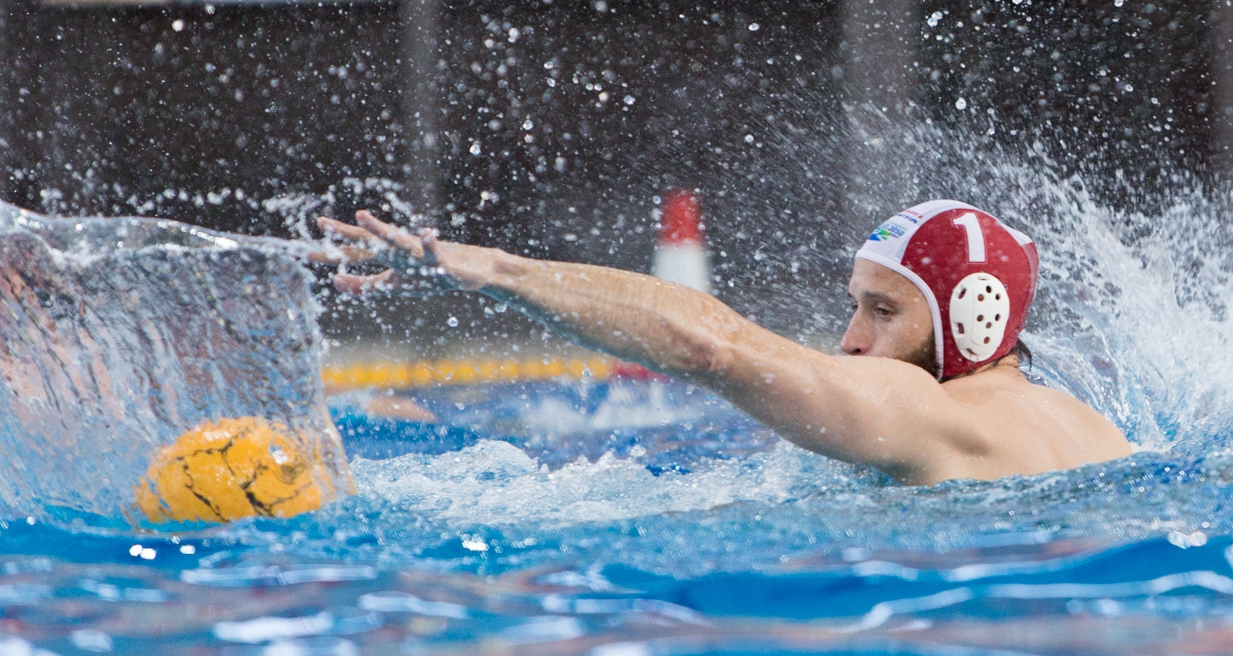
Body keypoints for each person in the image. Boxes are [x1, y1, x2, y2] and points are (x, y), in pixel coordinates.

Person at [317, 200, 1132, 485]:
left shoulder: (925, 412)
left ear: (976, 319)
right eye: (854, 307)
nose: (850, 341)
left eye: (882, 312)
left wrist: (498, 272)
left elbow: (713, 347)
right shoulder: (1094, 429)